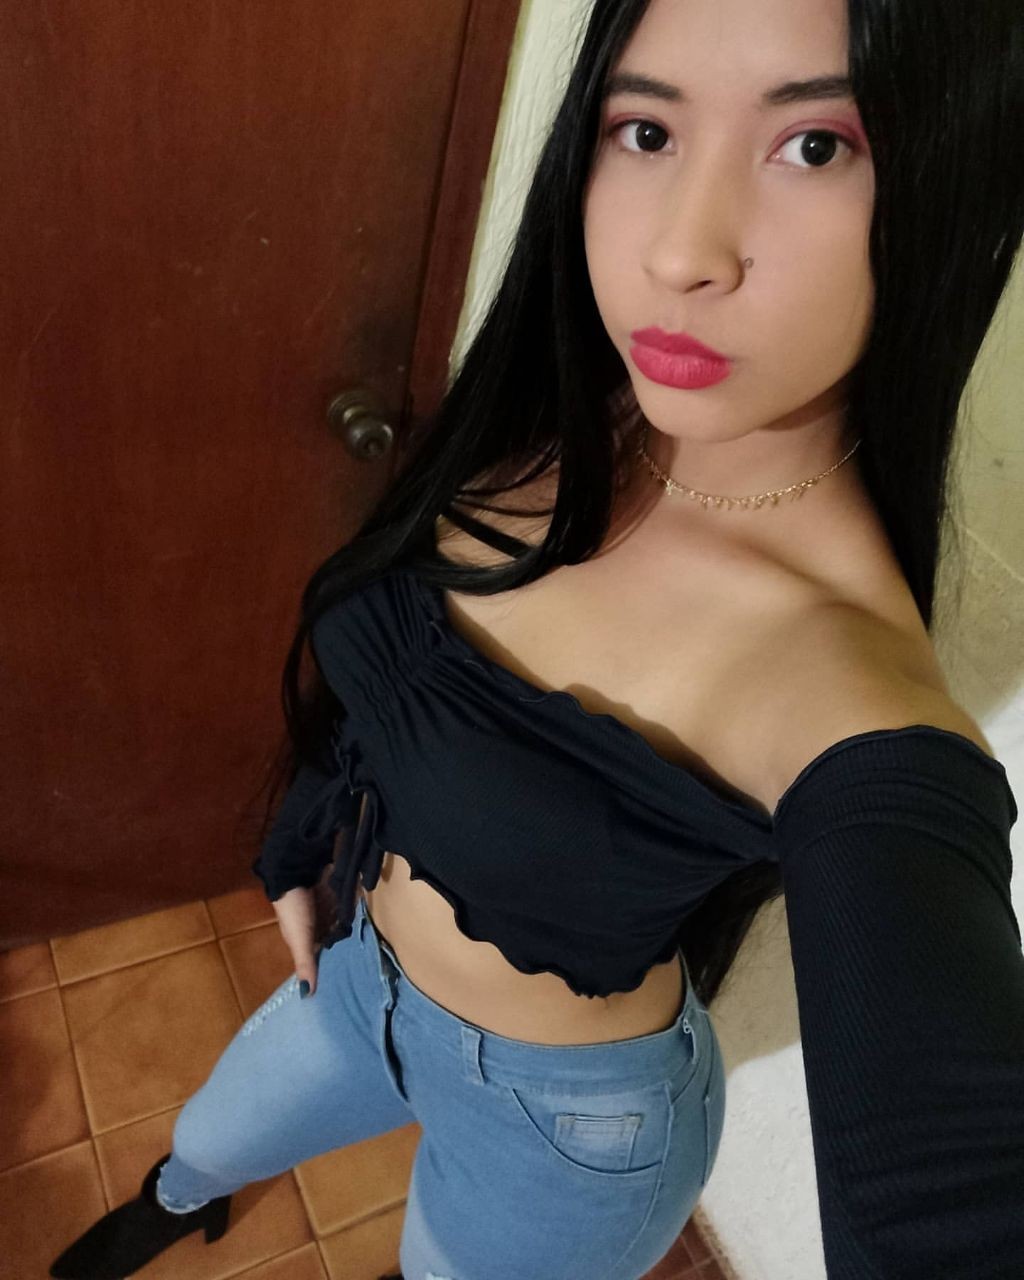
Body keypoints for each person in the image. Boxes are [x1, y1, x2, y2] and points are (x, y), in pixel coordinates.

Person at [50, 0, 1024, 1276]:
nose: (679, 250)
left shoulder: (841, 681)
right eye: (645, 129)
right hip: (358, 980)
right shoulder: (571, 417)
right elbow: (390, 689)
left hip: (567, 1130)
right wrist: (300, 835)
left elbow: (949, 1175)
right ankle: (179, 1199)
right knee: (208, 1134)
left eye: (815, 145)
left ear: (955, 183)